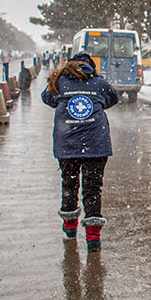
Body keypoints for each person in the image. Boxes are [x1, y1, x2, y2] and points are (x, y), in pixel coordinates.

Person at [41, 52, 119, 252]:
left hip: (67, 144)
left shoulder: (60, 81)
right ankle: (93, 238)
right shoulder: (99, 83)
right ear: (90, 66)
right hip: (96, 144)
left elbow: (47, 98)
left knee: (69, 184)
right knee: (93, 188)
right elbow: (112, 99)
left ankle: (69, 230)